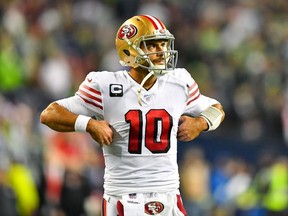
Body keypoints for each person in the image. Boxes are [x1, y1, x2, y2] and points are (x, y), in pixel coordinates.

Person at [40, 14, 225, 216]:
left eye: (163, 44)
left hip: (169, 194)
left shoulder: (180, 82)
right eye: (152, 46)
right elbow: (50, 114)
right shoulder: (105, 85)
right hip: (124, 198)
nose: (161, 51)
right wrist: (89, 124)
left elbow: (217, 109)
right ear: (129, 50)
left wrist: (201, 123)